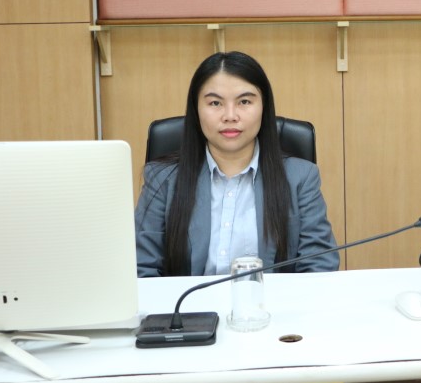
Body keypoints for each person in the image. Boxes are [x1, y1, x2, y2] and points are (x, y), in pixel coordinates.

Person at [135, 51, 339, 277]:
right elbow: (141, 269)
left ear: (264, 107)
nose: (230, 116)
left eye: (244, 102)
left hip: (273, 300)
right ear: (196, 109)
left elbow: (319, 267)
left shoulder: (300, 178)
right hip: (188, 302)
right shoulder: (162, 179)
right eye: (215, 103)